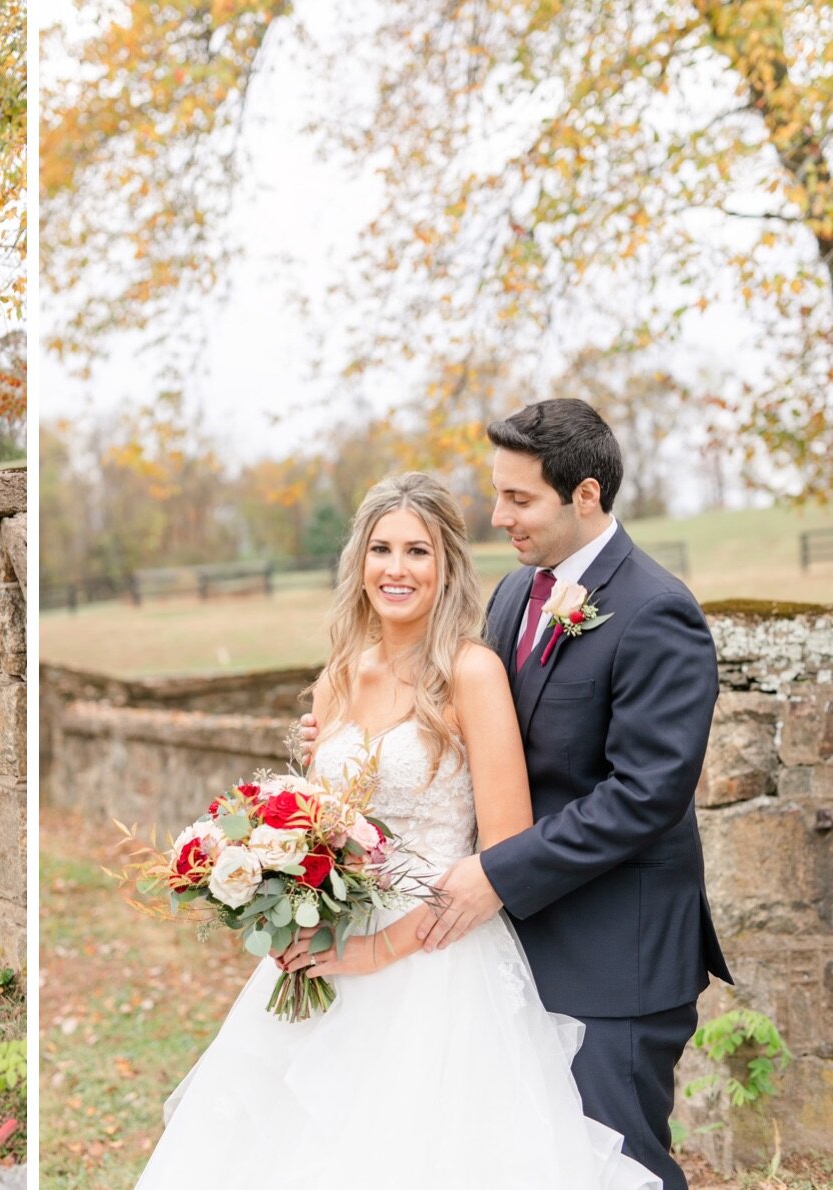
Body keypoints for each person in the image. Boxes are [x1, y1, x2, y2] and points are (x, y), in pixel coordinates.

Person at [136, 472, 660, 1189]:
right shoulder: (338, 678)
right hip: (324, 948)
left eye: (418, 551)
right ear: (359, 562)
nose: (397, 568)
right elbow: (321, 826)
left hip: (438, 960)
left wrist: (377, 951)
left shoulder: (472, 674)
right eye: (381, 549)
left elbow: (504, 854)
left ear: (445, 566)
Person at [293, 400, 729, 1190]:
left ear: (586, 494)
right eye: (498, 494)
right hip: (513, 946)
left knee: (616, 1167)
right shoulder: (515, 596)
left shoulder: (656, 612)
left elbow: (646, 795)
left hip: (613, 955)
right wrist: (347, 749)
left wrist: (500, 870)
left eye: (519, 499)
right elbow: (465, 735)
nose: (499, 516)